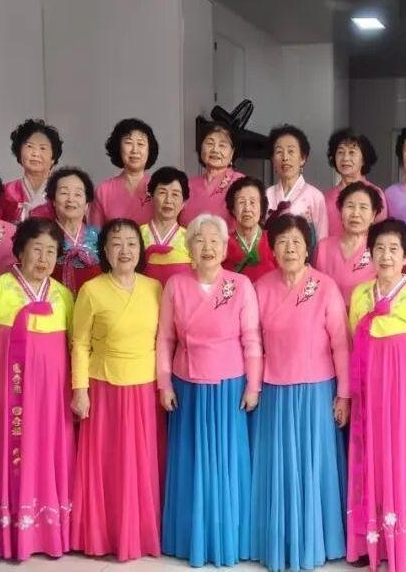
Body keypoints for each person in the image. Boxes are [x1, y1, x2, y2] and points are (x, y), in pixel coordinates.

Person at [157, 214, 262, 567]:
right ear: (189, 247)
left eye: (214, 240)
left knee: (227, 465)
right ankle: (190, 539)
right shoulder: (175, 284)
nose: (207, 247)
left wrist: (253, 385)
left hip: (229, 386)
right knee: (191, 463)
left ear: (224, 248)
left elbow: (252, 339)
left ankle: (229, 538)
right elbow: (165, 339)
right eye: (199, 240)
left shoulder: (240, 284)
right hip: (187, 385)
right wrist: (164, 382)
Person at [0, 218, 76, 561]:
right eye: (36, 249)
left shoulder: (63, 295)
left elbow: (75, 347)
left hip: (54, 397)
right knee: (17, 458)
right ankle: (18, 535)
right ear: (20, 251)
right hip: (12, 394)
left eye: (51, 252)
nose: (43, 259)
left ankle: (52, 532)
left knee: (52, 454)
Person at [250, 214, 351, 571]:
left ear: (308, 248)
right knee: (278, 469)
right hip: (275, 391)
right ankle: (278, 541)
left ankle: (317, 541)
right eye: (282, 242)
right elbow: (253, 342)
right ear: (272, 250)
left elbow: (341, 344)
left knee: (313, 466)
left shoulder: (325, 286)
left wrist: (344, 394)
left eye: (296, 242)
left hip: (317, 391)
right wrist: (254, 385)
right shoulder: (260, 287)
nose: (290, 248)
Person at [346, 218, 406, 572]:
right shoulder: (360, 295)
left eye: (393, 250)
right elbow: (353, 342)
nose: (386, 256)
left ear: (405, 257)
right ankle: (369, 542)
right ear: (370, 254)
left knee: (405, 463)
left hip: (405, 399)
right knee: (369, 459)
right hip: (369, 397)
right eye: (379, 249)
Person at [70, 219, 164, 561]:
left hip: (146, 386)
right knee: (109, 464)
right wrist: (80, 389)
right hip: (104, 385)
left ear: (140, 250)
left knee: (141, 463)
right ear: (105, 251)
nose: (125, 250)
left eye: (131, 243)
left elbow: (164, 339)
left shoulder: (155, 288)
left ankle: (140, 532)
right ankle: (103, 534)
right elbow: (79, 343)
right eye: (116, 243)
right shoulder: (91, 290)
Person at [314, 181, 382, 304]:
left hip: (365, 314)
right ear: (340, 211)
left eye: (363, 207)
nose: (355, 213)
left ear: (373, 215)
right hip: (327, 314)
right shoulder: (323, 247)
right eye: (350, 206)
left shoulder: (378, 249)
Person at [90, 118, 159, 226]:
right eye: (128, 143)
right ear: (118, 147)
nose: (135, 150)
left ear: (149, 150)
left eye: (140, 144)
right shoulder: (103, 191)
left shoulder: (159, 189)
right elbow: (95, 234)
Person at [265, 124, 328, 240]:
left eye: (291, 151)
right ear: (273, 159)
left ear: (302, 158)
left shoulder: (315, 196)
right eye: (279, 152)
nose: (285, 158)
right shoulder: (267, 194)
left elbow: (322, 240)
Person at [49, 167, 102, 294]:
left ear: (87, 204)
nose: (71, 199)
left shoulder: (100, 237)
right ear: (53, 201)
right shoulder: (44, 236)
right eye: (64, 193)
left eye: (78, 194)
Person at [181, 121, 245, 225]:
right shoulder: (188, 184)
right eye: (210, 143)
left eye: (222, 145)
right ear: (200, 148)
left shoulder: (241, 183)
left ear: (232, 153)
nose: (215, 150)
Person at [324, 128, 387, 234]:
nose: (345, 158)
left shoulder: (376, 194)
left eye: (352, 152)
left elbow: (381, 235)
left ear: (364, 159)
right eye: (340, 152)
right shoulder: (326, 197)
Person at [0, 119, 63, 222]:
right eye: (29, 146)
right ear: (19, 153)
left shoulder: (62, 193)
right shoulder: (5, 192)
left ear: (53, 158)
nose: (35, 153)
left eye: (42, 148)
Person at [141, 166, 193, 284]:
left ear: (184, 203)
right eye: (162, 192)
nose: (168, 200)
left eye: (175, 194)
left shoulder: (191, 238)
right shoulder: (137, 235)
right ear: (151, 198)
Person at [223, 176, 277, 282]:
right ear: (233, 209)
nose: (247, 208)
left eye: (252, 202)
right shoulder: (223, 243)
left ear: (261, 208)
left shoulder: (274, 240)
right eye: (241, 202)